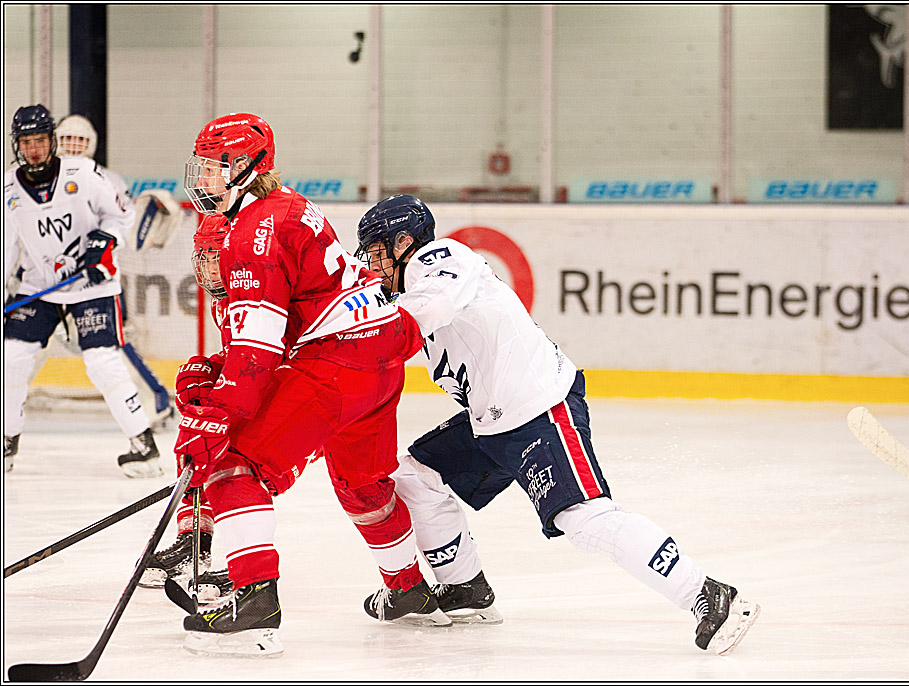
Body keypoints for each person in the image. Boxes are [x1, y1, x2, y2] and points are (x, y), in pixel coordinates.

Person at [353, 195, 761, 655]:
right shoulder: (408, 286)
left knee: (585, 519)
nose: (372, 263)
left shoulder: (439, 258)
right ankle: (465, 587)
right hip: (492, 422)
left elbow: (426, 311)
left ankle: (707, 593)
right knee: (414, 476)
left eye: (376, 251)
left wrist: (364, 330)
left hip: (540, 409)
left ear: (404, 242)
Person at [171, 113, 448, 658]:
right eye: (202, 169)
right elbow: (283, 326)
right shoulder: (289, 205)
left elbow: (259, 354)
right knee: (362, 484)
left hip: (336, 365)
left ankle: (255, 603)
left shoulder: (250, 233)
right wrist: (221, 377)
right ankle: (409, 589)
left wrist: (216, 413)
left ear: (249, 166)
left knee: (233, 465)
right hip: (380, 354)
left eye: (215, 168)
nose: (204, 181)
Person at [3, 104, 162, 478]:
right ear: (17, 145)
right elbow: (6, 247)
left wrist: (104, 241)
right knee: (9, 360)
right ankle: (7, 440)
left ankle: (143, 444)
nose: (34, 150)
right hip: (40, 286)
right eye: (27, 142)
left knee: (102, 362)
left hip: (92, 284)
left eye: (40, 140)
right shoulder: (8, 188)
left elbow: (121, 214)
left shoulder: (84, 173)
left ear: (52, 141)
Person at [53, 113, 176, 426]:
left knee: (110, 347)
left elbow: (126, 227)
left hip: (94, 282)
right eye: (67, 139)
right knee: (19, 347)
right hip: (47, 281)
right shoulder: (41, 178)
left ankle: (156, 402)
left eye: (80, 141)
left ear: (91, 145)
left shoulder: (108, 180)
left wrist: (101, 253)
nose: (73, 147)